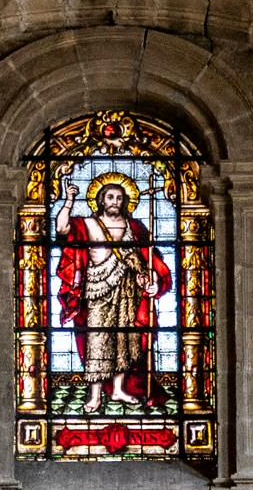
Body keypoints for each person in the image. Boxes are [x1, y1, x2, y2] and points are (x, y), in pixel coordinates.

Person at [54, 174, 172, 416]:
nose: (115, 201)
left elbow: (148, 260)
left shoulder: (135, 227)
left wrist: (149, 280)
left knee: (124, 341)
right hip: (97, 289)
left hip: (129, 290)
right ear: (100, 200)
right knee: (98, 341)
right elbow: (61, 228)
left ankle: (118, 389)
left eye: (119, 197)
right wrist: (68, 201)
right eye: (110, 197)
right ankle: (95, 395)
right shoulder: (87, 224)